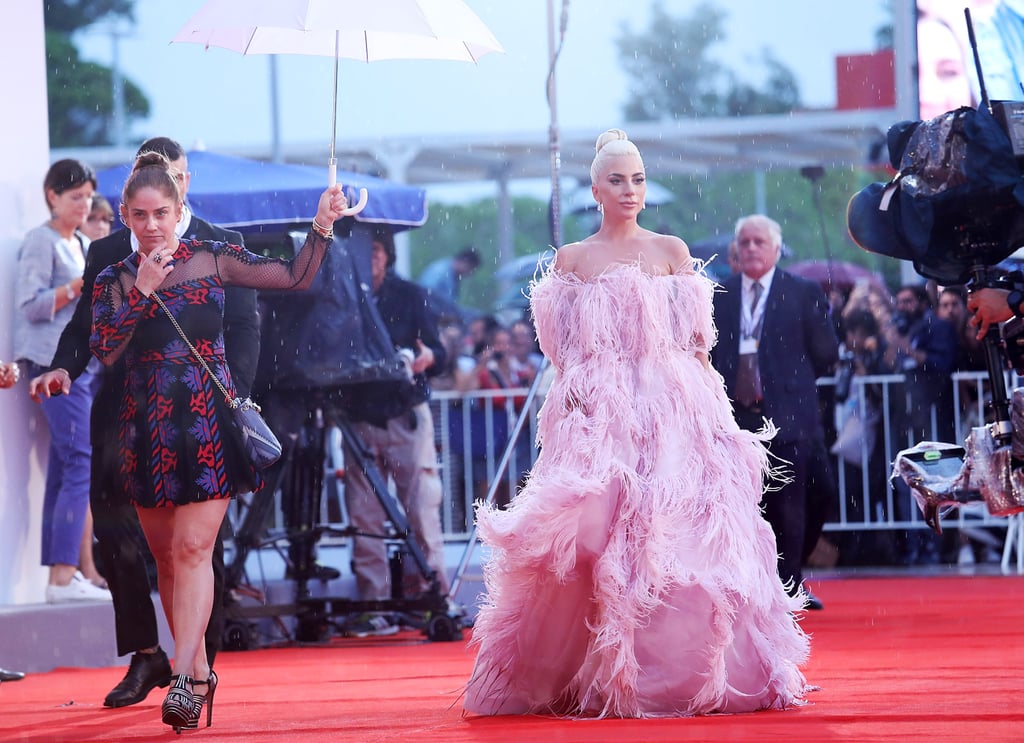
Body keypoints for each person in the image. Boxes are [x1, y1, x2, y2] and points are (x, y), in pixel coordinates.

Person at [464, 129, 809, 718]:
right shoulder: (572, 260)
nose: (630, 189)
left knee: (679, 538)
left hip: (675, 410)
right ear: (596, 189)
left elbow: (698, 346)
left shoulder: (672, 251)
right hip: (602, 414)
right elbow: (563, 352)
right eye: (618, 179)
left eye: (638, 178)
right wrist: (575, 412)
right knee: (591, 534)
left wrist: (716, 422)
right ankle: (584, 671)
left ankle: (678, 677)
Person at [86, 151, 346, 732]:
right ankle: (199, 672)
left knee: (191, 551)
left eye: (161, 212)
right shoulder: (114, 279)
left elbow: (295, 276)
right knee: (166, 563)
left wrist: (321, 224)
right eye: (139, 214)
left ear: (179, 210)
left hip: (205, 425)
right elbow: (104, 350)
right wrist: (141, 292)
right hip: (144, 428)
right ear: (125, 216)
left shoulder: (213, 258)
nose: (151, 224)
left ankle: (182, 679)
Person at [29, 136, 261, 710]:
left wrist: (237, 400)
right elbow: (86, 327)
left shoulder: (221, 245)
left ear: (186, 187)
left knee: (197, 546)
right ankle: (145, 655)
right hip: (126, 416)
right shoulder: (108, 251)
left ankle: (195, 665)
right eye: (149, 188)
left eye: (175, 180)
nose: (163, 196)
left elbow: (247, 332)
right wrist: (62, 366)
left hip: (205, 415)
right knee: (118, 536)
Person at [711, 214, 840, 608]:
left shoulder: (801, 291)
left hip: (788, 414)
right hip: (734, 419)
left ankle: (790, 586)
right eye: (744, 242)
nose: (751, 248)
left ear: (776, 249)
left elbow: (826, 353)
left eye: (758, 242)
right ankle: (750, 587)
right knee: (745, 505)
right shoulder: (721, 294)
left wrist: (788, 384)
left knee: (795, 502)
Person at [339, 227, 450, 636]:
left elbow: (440, 354)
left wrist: (423, 359)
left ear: (387, 255)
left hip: (405, 412)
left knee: (421, 507)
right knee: (363, 514)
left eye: (377, 251)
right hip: (358, 416)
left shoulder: (411, 294)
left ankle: (432, 597)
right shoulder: (343, 296)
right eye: (364, 251)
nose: (371, 258)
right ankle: (373, 603)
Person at [14, 159, 112, 604]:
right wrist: (78, 285)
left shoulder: (77, 242)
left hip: (78, 369)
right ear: (52, 195)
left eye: (88, 196)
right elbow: (31, 305)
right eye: (76, 197)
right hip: (53, 368)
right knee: (79, 462)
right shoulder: (42, 241)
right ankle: (63, 574)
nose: (84, 204)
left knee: (65, 466)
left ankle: (61, 575)